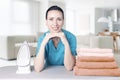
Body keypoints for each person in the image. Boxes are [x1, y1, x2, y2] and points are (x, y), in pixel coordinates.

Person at [34, 5, 76, 72]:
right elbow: (38, 68)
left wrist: (66, 43)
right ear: (46, 22)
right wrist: (43, 44)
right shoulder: (42, 38)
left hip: (65, 73)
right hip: (48, 72)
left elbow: (69, 67)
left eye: (59, 19)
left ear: (63, 21)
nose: (55, 23)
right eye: (51, 19)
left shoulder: (71, 37)